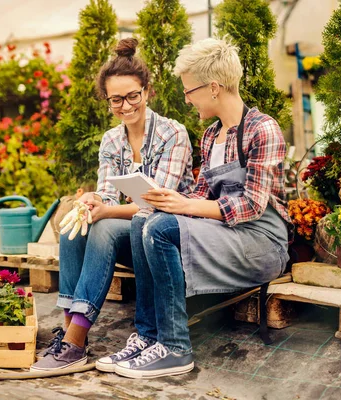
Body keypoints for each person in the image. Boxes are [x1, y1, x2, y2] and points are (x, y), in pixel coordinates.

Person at [104, 38, 293, 379]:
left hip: (263, 244)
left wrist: (184, 206)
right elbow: (200, 195)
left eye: (190, 90)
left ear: (215, 88)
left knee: (160, 228)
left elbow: (251, 206)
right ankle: (148, 337)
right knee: (144, 221)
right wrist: (164, 200)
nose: (187, 98)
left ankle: (176, 348)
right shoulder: (210, 136)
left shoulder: (262, 129)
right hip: (226, 235)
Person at [30, 38, 195, 372]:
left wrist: (104, 212)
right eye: (116, 99)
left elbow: (158, 204)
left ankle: (74, 342)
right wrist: (92, 202)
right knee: (75, 225)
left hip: (167, 236)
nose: (126, 106)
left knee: (103, 226)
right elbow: (106, 195)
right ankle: (70, 331)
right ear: (107, 101)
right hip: (133, 234)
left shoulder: (172, 134)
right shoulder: (111, 140)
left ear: (147, 91)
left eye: (133, 96)